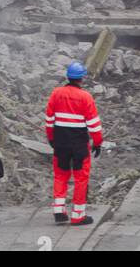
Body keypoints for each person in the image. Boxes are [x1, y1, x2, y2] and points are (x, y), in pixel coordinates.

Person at [44, 61, 103, 226]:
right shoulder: (86, 97)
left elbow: (49, 119)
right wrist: (97, 143)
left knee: (60, 175)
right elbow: (94, 124)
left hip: (60, 142)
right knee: (80, 178)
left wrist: (51, 138)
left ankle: (59, 211)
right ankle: (78, 215)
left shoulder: (56, 93)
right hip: (79, 145)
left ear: (68, 76)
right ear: (82, 78)